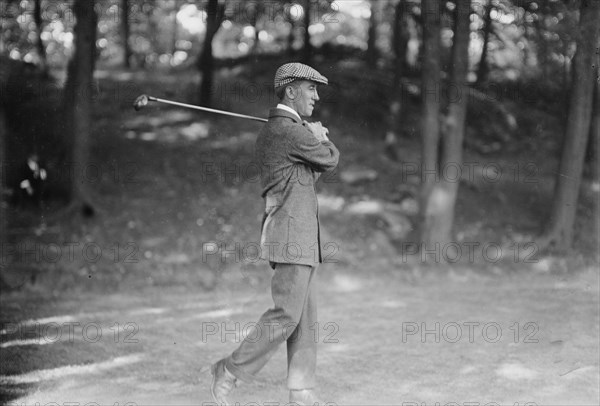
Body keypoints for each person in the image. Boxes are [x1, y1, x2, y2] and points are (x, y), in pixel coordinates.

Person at [210, 63, 340, 405]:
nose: (317, 95)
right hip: (290, 235)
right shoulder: (287, 132)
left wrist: (309, 135)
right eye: (310, 88)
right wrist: (320, 136)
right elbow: (328, 159)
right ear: (290, 90)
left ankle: (301, 390)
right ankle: (229, 370)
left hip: (301, 236)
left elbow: (307, 179)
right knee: (286, 315)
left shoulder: (285, 131)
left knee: (304, 318)